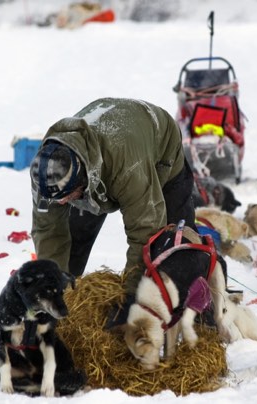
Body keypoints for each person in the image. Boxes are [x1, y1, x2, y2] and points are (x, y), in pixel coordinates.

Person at [29, 98, 197, 298]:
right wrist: (53, 291)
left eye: (66, 197)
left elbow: (145, 233)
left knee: (174, 245)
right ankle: (66, 298)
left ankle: (198, 309)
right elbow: (48, 230)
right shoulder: (47, 168)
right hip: (103, 150)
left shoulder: (127, 168)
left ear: (83, 178)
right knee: (74, 240)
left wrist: (128, 300)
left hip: (157, 143)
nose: (62, 203)